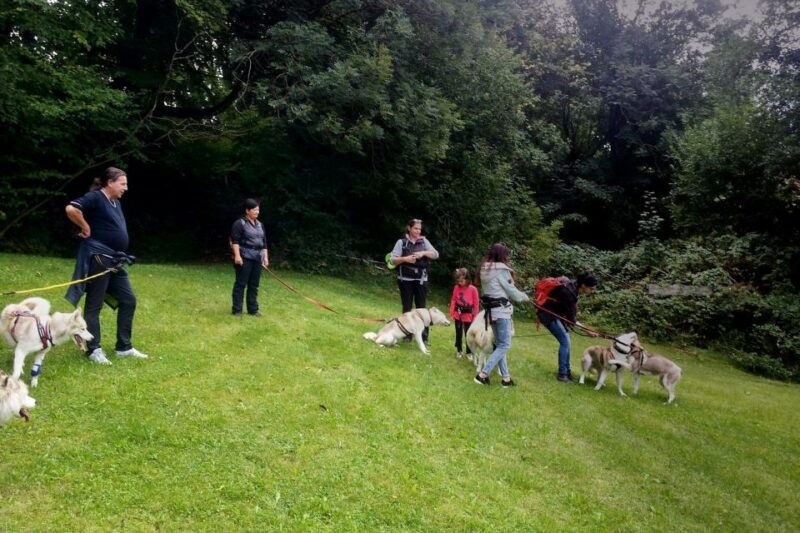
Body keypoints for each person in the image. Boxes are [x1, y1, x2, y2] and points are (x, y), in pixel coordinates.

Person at [65, 166, 147, 364]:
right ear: (109, 183)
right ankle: (93, 350)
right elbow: (71, 208)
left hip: (115, 260)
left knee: (128, 301)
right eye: (123, 183)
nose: (126, 188)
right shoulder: (95, 197)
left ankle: (124, 348)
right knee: (94, 305)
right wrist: (85, 226)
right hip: (99, 258)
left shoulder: (115, 202)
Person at [473, 243, 529, 387]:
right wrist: (524, 297)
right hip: (501, 312)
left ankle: (506, 379)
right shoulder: (502, 271)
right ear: (503, 255)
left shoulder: (484, 269)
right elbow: (513, 292)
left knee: (499, 344)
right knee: (504, 345)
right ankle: (482, 375)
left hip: (490, 313)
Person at [537, 272, 598, 383]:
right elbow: (572, 321)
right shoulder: (570, 293)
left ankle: (566, 372)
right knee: (565, 341)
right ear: (583, 285)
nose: (593, 291)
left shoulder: (573, 287)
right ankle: (562, 374)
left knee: (566, 340)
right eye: (592, 289)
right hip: (548, 315)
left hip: (553, 314)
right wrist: (588, 331)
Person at [389, 218, 439, 343]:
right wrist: (405, 259)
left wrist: (423, 253)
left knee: (421, 308)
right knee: (407, 307)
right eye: (415, 228)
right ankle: (407, 334)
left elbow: (435, 254)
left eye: (419, 229)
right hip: (405, 279)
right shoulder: (401, 242)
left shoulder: (424, 241)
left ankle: (424, 337)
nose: (418, 231)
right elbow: (392, 260)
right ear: (409, 228)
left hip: (421, 279)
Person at [230, 198, 269, 316]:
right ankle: (237, 310)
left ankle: (253, 310)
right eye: (254, 210)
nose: (257, 212)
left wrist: (265, 257)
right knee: (241, 283)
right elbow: (234, 241)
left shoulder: (260, 224)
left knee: (254, 285)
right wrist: (237, 256)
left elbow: (264, 243)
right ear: (247, 211)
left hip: (257, 258)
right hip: (244, 257)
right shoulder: (239, 223)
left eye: (258, 210)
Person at [449, 267, 480, 359]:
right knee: (458, 333)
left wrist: (475, 316)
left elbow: (476, 304)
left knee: (468, 334)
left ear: (467, 279)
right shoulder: (456, 288)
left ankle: (469, 352)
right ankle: (459, 350)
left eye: (462, 281)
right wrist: (452, 312)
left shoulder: (473, 289)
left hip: (469, 315)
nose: (460, 283)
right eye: (458, 281)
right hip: (458, 314)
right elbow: (454, 300)